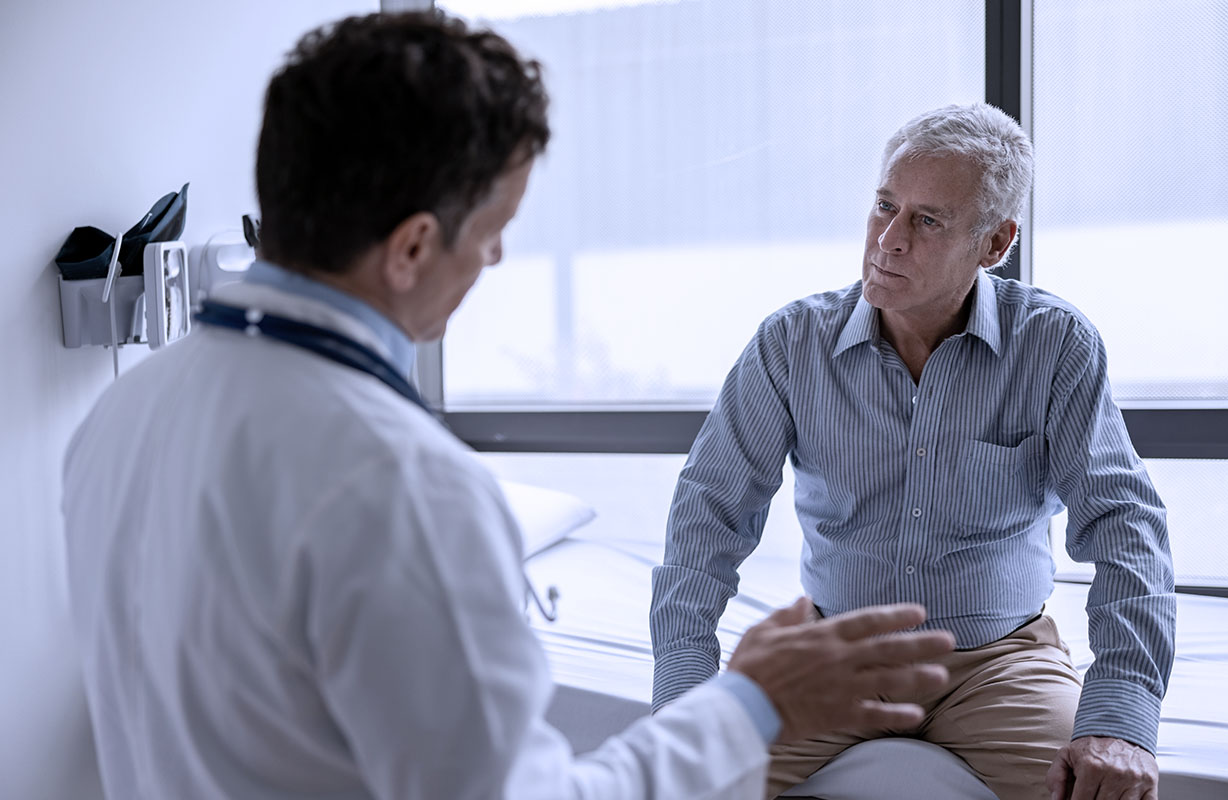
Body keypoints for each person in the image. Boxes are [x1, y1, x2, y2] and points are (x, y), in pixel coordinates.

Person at [60, 12, 956, 800]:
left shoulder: (120, 416)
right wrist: (754, 700)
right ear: (412, 246)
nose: (491, 263)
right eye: (491, 234)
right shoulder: (404, 485)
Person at [649, 103, 1176, 800]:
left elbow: (1126, 526)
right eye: (884, 206)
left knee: (1101, 790)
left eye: (927, 221)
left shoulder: (1055, 347)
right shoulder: (789, 345)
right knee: (681, 781)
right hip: (833, 657)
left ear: (995, 242)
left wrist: (1122, 717)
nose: (887, 240)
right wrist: (685, 688)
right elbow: (707, 516)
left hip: (1001, 662)